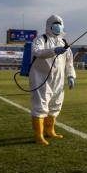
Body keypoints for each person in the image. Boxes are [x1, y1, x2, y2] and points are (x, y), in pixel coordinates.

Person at [29, 14, 76, 145]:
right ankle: (39, 136)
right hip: (40, 79)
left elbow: (69, 63)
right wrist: (54, 50)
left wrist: (71, 76)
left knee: (56, 105)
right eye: (55, 23)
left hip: (58, 81)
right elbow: (37, 52)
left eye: (59, 23)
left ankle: (50, 131)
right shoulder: (41, 39)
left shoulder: (65, 43)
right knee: (40, 107)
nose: (57, 26)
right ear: (49, 25)